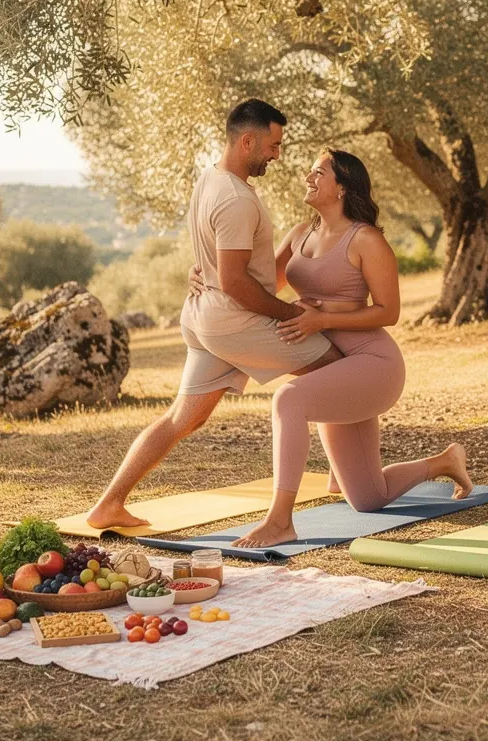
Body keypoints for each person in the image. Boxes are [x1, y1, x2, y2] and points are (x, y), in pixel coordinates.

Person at [86, 99, 344, 529]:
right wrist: (291, 313)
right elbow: (236, 283)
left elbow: (223, 265)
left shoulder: (210, 179)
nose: (277, 155)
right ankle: (343, 476)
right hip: (235, 323)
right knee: (339, 368)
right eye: (273, 145)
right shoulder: (236, 199)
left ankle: (109, 504)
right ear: (248, 142)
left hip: (205, 317)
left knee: (183, 418)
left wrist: (205, 272)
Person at [206, 147, 473, 548]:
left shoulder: (365, 239)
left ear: (343, 187)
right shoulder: (300, 234)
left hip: (373, 366)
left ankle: (280, 521)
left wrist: (323, 319)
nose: (308, 178)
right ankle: (445, 461)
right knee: (369, 498)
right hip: (332, 367)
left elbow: (389, 312)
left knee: (288, 399)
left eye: (319, 173)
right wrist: (207, 277)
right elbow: (257, 286)